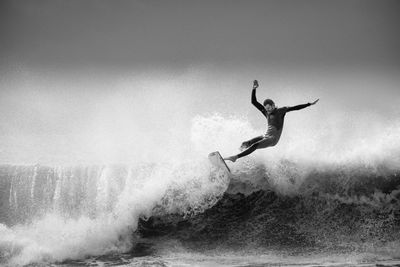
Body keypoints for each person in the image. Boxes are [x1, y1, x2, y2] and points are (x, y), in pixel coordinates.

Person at [224, 80, 319, 162]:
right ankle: (237, 155)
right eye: (266, 108)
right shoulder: (266, 113)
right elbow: (254, 102)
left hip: (273, 139)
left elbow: (295, 108)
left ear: (273, 105)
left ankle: (235, 157)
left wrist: (309, 104)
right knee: (246, 143)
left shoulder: (281, 111)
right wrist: (254, 88)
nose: (268, 110)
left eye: (269, 108)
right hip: (266, 136)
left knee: (255, 145)